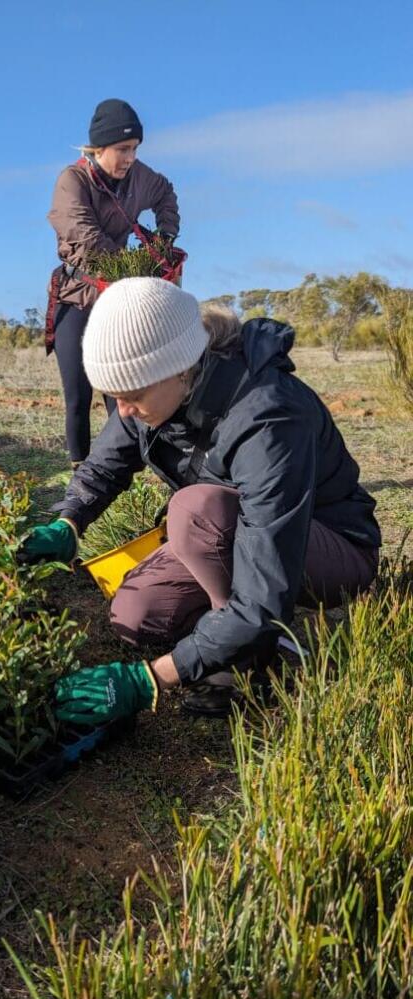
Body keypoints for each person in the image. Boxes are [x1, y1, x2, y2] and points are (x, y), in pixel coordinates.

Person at [20, 278, 381, 719]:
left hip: (328, 547)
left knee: (193, 511)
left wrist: (151, 678)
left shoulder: (267, 416)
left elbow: (264, 588)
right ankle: (221, 631)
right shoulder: (153, 387)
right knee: (135, 615)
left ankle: (247, 664)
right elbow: (105, 464)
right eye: (114, 397)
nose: (125, 410)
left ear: (181, 368)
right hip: (226, 533)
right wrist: (68, 522)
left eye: (132, 396)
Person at [46, 98, 180, 467]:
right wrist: (133, 269)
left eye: (135, 149)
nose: (130, 158)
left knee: (118, 390)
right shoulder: (71, 181)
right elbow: (87, 238)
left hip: (116, 297)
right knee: (78, 393)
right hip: (76, 297)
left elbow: (166, 193)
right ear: (98, 148)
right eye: (122, 149)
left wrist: (164, 239)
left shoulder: (140, 178)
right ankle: (80, 473)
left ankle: (120, 471)